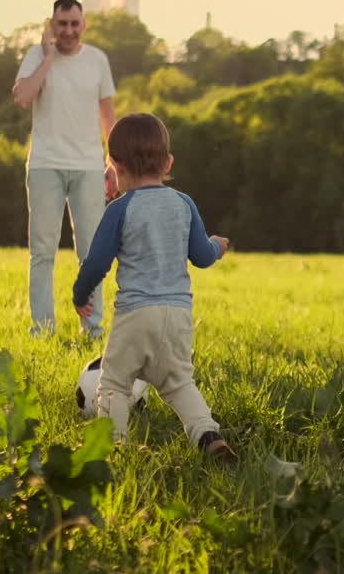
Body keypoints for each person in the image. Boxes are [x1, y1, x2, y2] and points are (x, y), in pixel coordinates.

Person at [72, 113, 236, 461]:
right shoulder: (184, 204)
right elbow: (202, 256)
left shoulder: (120, 209)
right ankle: (208, 435)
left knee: (114, 384)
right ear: (169, 162)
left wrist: (80, 293)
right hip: (178, 316)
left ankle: (114, 449)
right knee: (179, 385)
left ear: (114, 165)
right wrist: (218, 245)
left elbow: (97, 263)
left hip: (136, 315)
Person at [13, 0, 117, 337]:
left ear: (83, 25)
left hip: (88, 167)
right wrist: (48, 58)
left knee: (92, 252)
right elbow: (23, 97)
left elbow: (107, 115)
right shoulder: (36, 55)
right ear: (51, 25)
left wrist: (113, 162)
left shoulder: (97, 60)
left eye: (74, 24)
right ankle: (42, 329)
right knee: (42, 251)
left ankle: (92, 328)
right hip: (45, 165)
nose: (68, 30)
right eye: (62, 24)